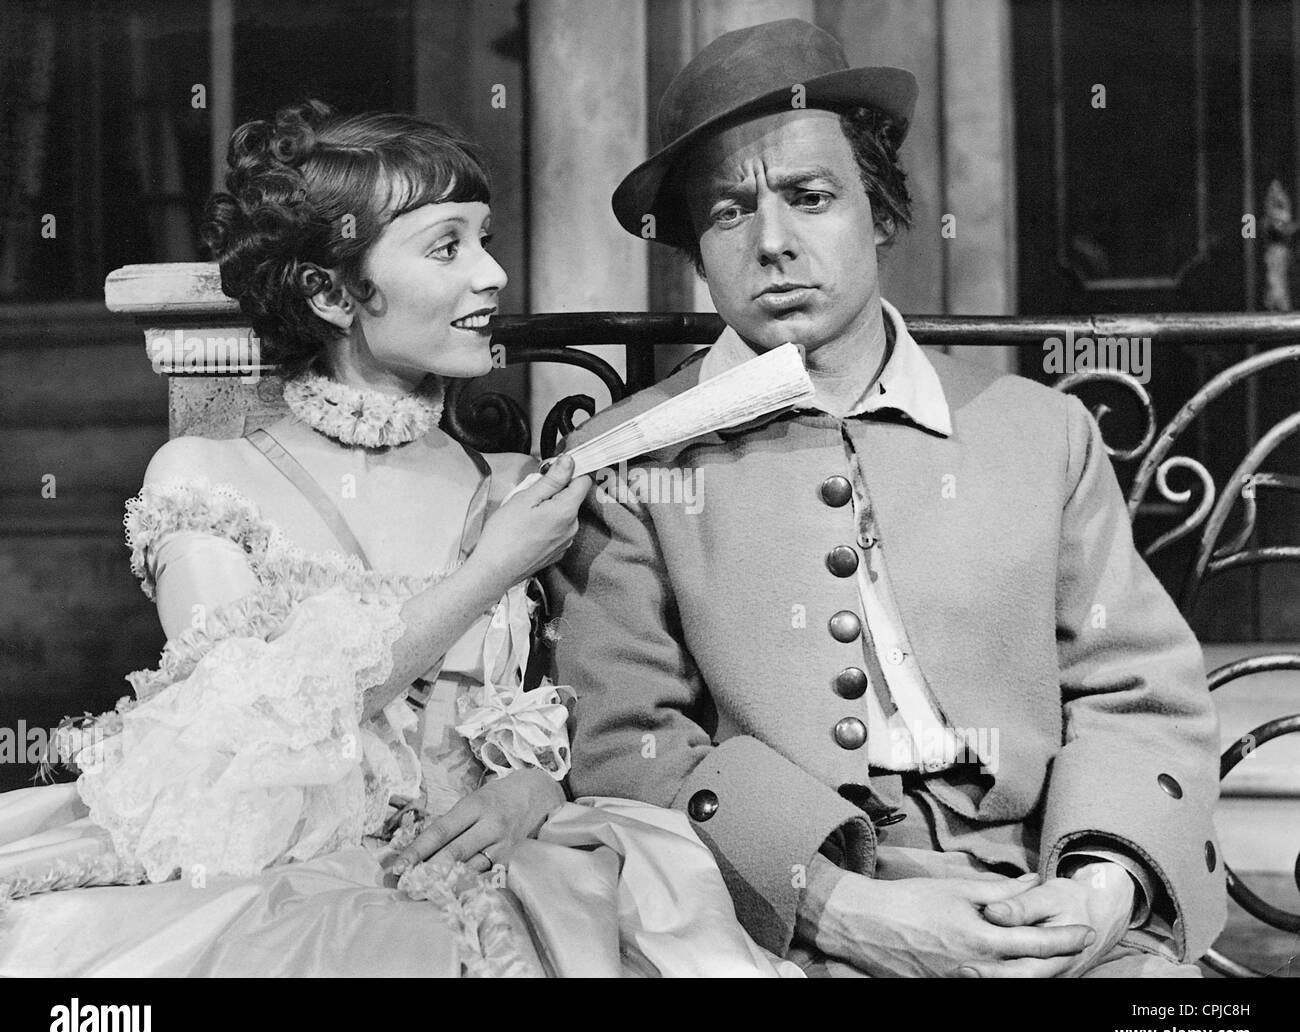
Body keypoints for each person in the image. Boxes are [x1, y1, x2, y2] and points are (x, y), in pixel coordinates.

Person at [0, 101, 792, 979]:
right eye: (447, 246)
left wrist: (532, 787)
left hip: (489, 872)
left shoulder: (507, 484)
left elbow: (554, 721)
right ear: (332, 291)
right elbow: (245, 737)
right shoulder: (204, 478)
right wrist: (492, 569)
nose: (492, 275)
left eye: (485, 239)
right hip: (277, 889)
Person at [547, 19, 1225, 978]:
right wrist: (843, 911)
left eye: (811, 197)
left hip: (1042, 890)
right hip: (772, 920)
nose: (773, 242)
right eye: (730, 213)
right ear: (697, 249)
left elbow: (1139, 695)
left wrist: (1098, 892)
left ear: (883, 213)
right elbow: (628, 746)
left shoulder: (1034, 430)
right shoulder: (634, 463)